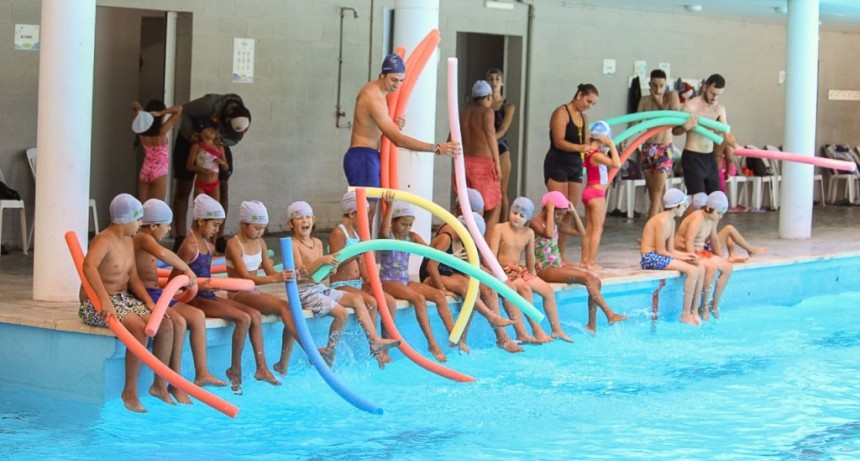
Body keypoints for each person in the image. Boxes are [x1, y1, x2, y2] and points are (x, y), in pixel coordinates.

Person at [78, 193, 179, 413]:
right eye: (138, 220)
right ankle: (129, 392)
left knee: (165, 324)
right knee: (138, 328)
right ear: (124, 220)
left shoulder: (128, 241)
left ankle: (159, 386)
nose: (141, 225)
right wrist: (104, 301)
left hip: (123, 299)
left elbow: (133, 278)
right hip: (96, 302)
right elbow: (88, 267)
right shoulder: (103, 240)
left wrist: (150, 303)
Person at [175, 194, 279, 395]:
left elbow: (207, 276)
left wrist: (210, 286)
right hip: (195, 299)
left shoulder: (209, 246)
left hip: (208, 295)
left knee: (253, 315)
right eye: (214, 224)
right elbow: (175, 279)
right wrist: (199, 286)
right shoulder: (189, 246)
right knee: (243, 318)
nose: (217, 230)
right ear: (200, 220)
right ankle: (235, 371)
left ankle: (257, 368)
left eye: (218, 225)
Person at [343, 53, 460, 222]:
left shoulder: (381, 93)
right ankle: (360, 248)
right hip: (362, 157)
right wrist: (437, 148)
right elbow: (398, 140)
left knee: (368, 213)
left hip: (367, 156)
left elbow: (376, 126)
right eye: (393, 80)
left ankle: (363, 248)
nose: (397, 85)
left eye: (400, 80)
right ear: (382, 75)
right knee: (364, 214)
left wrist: (393, 122)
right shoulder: (373, 97)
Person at [288, 200, 400, 367]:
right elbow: (300, 274)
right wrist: (322, 261)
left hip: (318, 287)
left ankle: (374, 340)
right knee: (342, 313)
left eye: (308, 217)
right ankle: (330, 350)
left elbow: (318, 277)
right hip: (304, 291)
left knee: (356, 299)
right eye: (299, 218)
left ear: (314, 219)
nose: (305, 221)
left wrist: (328, 268)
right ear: (291, 224)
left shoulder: (317, 243)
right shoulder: (292, 244)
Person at [133, 199, 227, 390]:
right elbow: (164, 254)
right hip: (147, 295)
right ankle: (169, 382)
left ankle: (200, 373)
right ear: (153, 225)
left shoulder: (148, 239)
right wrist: (187, 269)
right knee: (179, 322)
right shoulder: (143, 238)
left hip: (157, 293)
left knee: (197, 316)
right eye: (167, 226)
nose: (169, 230)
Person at [378, 193, 466, 361]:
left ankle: (455, 337)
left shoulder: (411, 237)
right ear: (394, 221)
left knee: (439, 295)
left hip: (404, 281)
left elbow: (430, 253)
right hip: (388, 281)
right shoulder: (388, 237)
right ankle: (432, 343)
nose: (407, 228)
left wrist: (451, 257)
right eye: (403, 224)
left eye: (410, 224)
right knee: (418, 298)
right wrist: (389, 207)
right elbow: (383, 230)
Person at [419, 211, 521, 353]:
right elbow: (431, 267)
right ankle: (491, 317)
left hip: (450, 273)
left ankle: (501, 338)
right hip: (432, 276)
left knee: (486, 289)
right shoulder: (446, 237)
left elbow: (474, 266)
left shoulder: (463, 238)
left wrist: (494, 276)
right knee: (467, 287)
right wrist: (441, 289)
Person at [530, 191, 628, 333]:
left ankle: (591, 325)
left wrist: (574, 212)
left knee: (596, 281)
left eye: (561, 214)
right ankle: (610, 314)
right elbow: (548, 234)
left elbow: (581, 232)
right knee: (587, 277)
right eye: (557, 214)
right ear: (547, 209)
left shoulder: (555, 223)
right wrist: (551, 209)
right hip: (544, 269)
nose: (559, 217)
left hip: (556, 267)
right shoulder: (535, 223)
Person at [223, 200, 300, 375]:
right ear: (243, 224)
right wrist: (275, 278)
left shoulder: (261, 243)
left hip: (252, 291)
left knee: (290, 308)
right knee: (284, 306)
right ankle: (308, 348)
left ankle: (278, 363)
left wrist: (290, 274)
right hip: (237, 293)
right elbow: (245, 277)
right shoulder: (234, 244)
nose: (260, 232)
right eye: (256, 228)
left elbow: (270, 270)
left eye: (263, 228)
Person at [171, 93, 250, 252]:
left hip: (216, 145)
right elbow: (184, 111)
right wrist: (192, 134)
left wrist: (220, 142)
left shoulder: (243, 118)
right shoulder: (209, 104)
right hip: (190, 140)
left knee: (223, 188)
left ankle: (218, 237)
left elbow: (235, 140)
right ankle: (180, 237)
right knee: (184, 187)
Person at [488, 196, 573, 342]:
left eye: (522, 215)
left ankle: (556, 329)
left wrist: (532, 274)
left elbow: (530, 257)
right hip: (503, 270)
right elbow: (491, 255)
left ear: (527, 218)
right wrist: (499, 276)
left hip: (519, 270)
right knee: (525, 288)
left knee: (547, 290)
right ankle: (536, 330)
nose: (517, 217)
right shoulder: (499, 228)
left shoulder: (528, 233)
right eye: (514, 212)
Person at [327, 191, 396, 367]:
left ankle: (384, 349)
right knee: (371, 302)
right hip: (341, 284)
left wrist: (370, 279)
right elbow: (337, 263)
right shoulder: (338, 232)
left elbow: (362, 262)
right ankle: (374, 345)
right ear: (352, 213)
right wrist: (358, 251)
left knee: (388, 301)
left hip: (357, 283)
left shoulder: (357, 234)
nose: (367, 218)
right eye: (365, 214)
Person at [544, 83, 599, 259]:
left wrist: (596, 143)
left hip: (575, 166)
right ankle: (547, 253)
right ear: (579, 95)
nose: (589, 106)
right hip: (557, 164)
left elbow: (587, 141)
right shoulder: (561, 112)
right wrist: (580, 147)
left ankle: (560, 253)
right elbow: (558, 141)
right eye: (588, 101)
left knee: (569, 211)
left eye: (593, 104)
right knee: (556, 210)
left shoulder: (584, 118)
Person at [639, 188, 704, 326]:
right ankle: (685, 314)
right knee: (692, 271)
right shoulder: (662, 221)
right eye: (684, 205)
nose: (685, 208)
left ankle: (694, 311)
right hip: (650, 257)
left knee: (700, 267)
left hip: (659, 255)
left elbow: (671, 250)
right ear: (676, 206)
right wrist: (684, 259)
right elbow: (660, 251)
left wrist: (688, 255)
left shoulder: (672, 221)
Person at [672, 74, 738, 197]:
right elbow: (675, 131)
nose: (714, 98)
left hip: (709, 157)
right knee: (698, 200)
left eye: (718, 95)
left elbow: (727, 132)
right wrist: (686, 127)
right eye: (713, 93)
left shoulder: (719, 109)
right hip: (693, 156)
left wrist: (736, 147)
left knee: (714, 199)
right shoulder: (691, 106)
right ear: (705, 87)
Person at [674, 191, 734, 320]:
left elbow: (714, 239)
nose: (721, 217)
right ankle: (704, 307)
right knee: (711, 268)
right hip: (686, 251)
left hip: (700, 251)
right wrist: (692, 259)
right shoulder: (698, 217)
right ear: (709, 208)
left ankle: (714, 305)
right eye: (719, 213)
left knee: (728, 267)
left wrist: (720, 257)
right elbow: (689, 240)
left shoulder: (711, 219)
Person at [637, 69, 682, 217]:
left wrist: (657, 100)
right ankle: (663, 225)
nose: (658, 89)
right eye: (654, 85)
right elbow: (636, 123)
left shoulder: (671, 97)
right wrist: (625, 140)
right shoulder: (644, 100)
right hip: (648, 148)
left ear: (666, 85)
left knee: (657, 192)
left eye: (661, 85)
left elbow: (675, 118)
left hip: (664, 148)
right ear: (649, 84)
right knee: (653, 193)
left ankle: (648, 230)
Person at [459, 80, 503, 230]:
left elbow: (451, 138)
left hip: (464, 163)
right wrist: (497, 163)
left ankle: (467, 241)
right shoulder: (487, 112)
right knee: (494, 205)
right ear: (489, 97)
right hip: (483, 165)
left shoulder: (463, 113)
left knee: (468, 204)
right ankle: (486, 246)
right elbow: (490, 135)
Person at [579, 121, 621, 270]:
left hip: (588, 192)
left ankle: (584, 260)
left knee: (589, 228)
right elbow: (616, 164)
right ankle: (591, 262)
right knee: (597, 229)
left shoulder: (588, 151)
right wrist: (612, 146)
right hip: (596, 194)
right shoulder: (596, 155)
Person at [690, 193, 767, 262]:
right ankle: (750, 250)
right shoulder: (701, 218)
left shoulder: (698, 215)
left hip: (705, 247)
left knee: (727, 231)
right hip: (702, 250)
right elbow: (710, 239)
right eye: (719, 213)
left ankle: (733, 255)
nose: (721, 217)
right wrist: (720, 256)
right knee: (728, 229)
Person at [132, 100, 182, 203]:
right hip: (159, 171)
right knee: (156, 209)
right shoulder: (161, 130)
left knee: (143, 208)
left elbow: (134, 104)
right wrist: (161, 112)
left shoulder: (141, 130)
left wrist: (143, 113)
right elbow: (179, 109)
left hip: (145, 170)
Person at [487, 68, 515, 220]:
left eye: (497, 79)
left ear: (502, 82)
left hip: (500, 148)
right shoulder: (483, 104)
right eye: (491, 79)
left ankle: (503, 224)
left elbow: (503, 129)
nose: (494, 82)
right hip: (485, 151)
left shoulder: (508, 106)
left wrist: (489, 141)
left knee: (502, 190)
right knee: (486, 190)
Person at [185, 127, 229, 202]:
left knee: (213, 210)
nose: (212, 130)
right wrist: (202, 170)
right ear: (200, 133)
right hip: (201, 184)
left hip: (215, 184)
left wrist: (222, 162)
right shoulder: (196, 147)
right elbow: (189, 166)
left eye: (213, 129)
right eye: (208, 129)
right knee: (201, 210)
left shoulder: (219, 147)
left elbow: (226, 168)